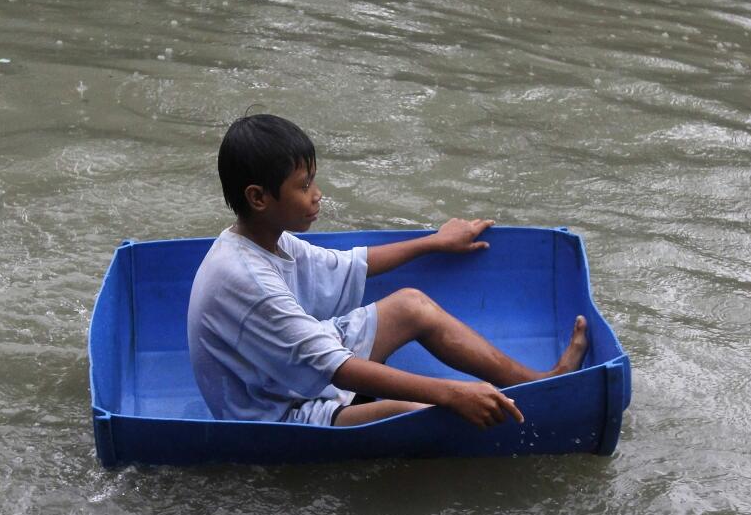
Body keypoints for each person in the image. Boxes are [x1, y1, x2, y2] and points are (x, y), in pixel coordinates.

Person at [187, 114, 588, 429]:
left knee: (411, 305)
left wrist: (434, 241)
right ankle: (517, 407)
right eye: (304, 185)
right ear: (259, 198)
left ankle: (539, 385)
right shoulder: (246, 280)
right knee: (413, 412)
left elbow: (347, 266)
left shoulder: (267, 238)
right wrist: (452, 393)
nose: (317, 194)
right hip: (276, 413)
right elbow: (339, 370)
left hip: (288, 372)